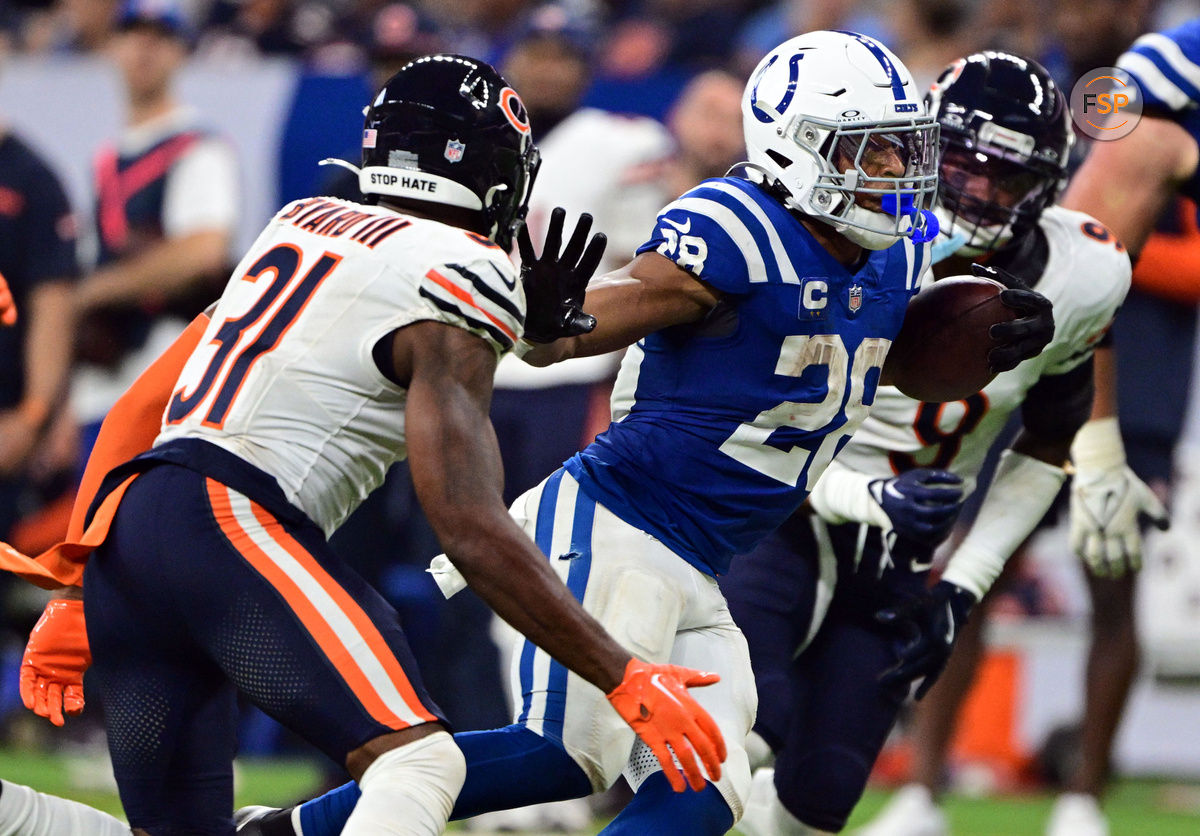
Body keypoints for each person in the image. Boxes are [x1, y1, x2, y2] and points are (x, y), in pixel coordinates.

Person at [234, 31, 1053, 836]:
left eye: (900, 150)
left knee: (709, 787)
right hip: (620, 522)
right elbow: (598, 317)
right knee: (569, 755)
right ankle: (283, 832)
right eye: (869, 153)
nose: (895, 173)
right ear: (799, 149)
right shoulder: (739, 228)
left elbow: (885, 358)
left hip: (704, 560)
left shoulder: (896, 258)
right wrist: (553, 319)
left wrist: (976, 343)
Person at [3, 54, 726, 836]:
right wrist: (620, 672)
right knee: (421, 762)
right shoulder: (462, 272)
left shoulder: (303, 223)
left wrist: (80, 579)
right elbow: (470, 528)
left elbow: (143, 405)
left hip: (134, 530)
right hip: (232, 526)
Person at [724, 52, 1132, 836]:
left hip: (898, 552)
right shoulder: (843, 225)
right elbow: (742, 418)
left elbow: (1050, 440)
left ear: (1048, 185)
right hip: (777, 509)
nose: (977, 188)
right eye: (961, 161)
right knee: (733, 738)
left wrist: (965, 584)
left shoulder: (1083, 268)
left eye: (1004, 175)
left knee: (818, 807)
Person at [72, 0, 238, 462]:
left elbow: (203, 251)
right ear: (111, 47)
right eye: (133, 33)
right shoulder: (107, 159)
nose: (144, 48)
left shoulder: (197, 147)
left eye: (160, 36)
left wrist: (91, 293)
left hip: (166, 379)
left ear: (180, 51)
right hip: (100, 383)